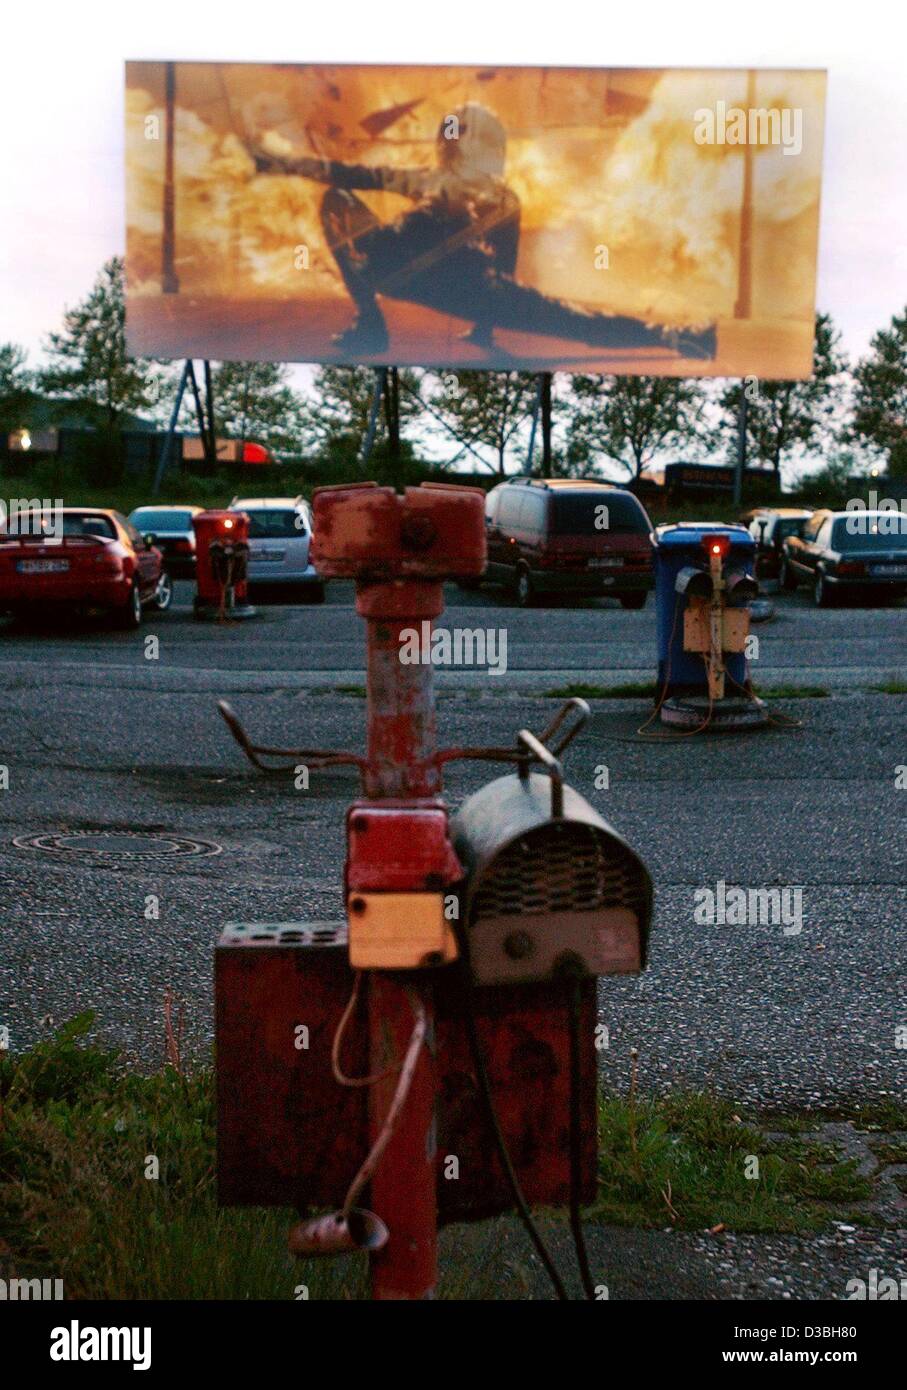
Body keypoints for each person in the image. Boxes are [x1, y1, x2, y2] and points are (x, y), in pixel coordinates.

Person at [250, 102, 716, 362]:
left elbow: (342, 174)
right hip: (468, 290)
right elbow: (504, 266)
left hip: (392, 269)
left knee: (336, 200)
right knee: (576, 320)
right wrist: (488, 317)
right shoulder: (505, 197)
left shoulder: (425, 179)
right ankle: (677, 338)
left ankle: (370, 323)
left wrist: (279, 163)